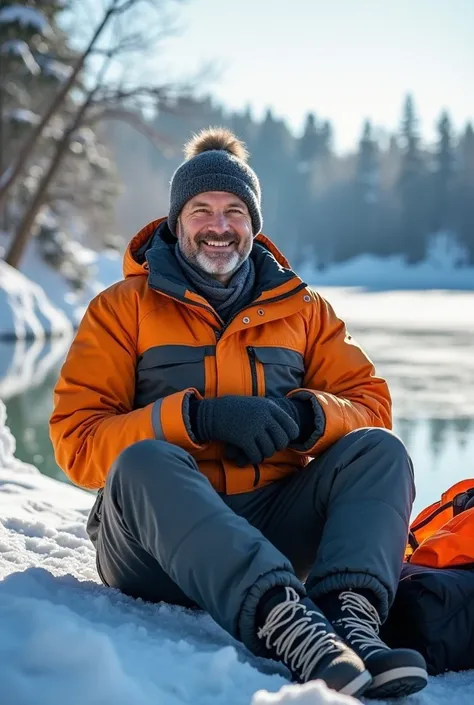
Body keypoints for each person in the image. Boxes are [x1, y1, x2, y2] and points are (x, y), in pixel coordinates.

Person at [50, 127, 428, 699]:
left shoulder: (303, 310)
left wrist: (307, 419)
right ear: (177, 223)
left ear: (254, 224)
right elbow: (77, 443)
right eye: (202, 210)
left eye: (234, 211)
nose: (219, 226)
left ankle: (351, 621)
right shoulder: (121, 309)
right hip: (155, 546)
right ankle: (286, 623)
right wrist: (197, 420)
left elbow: (371, 405)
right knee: (145, 459)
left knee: (379, 451)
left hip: (272, 522)